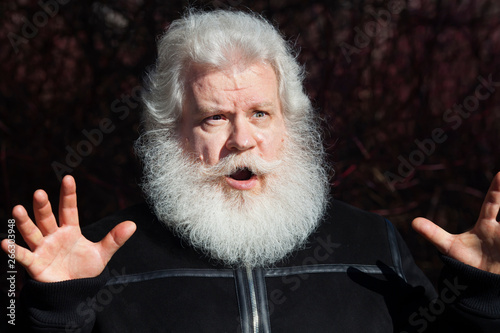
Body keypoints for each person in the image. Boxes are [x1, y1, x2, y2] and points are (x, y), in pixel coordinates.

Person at [2, 9, 500, 332]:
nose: (243, 140)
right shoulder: (100, 257)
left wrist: (481, 296)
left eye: (261, 114)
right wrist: (57, 309)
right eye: (215, 117)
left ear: (290, 124)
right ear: (173, 134)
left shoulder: (372, 241)